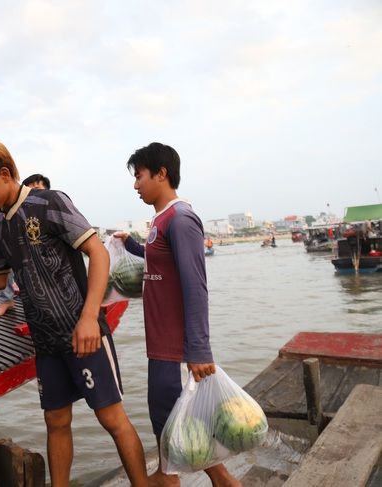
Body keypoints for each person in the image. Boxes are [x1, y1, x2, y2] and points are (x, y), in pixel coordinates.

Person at [0, 139, 149, 487]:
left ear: (4, 173)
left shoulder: (50, 202)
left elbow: (98, 254)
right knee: (56, 422)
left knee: (112, 419)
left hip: (84, 333)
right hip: (46, 343)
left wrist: (90, 317)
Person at [114, 142, 240, 487]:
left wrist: (199, 349)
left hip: (176, 344)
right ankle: (177, 475)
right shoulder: (161, 220)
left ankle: (204, 478)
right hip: (160, 340)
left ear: (161, 173)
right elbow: (160, 261)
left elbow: (195, 285)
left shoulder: (181, 219)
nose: (136, 184)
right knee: (167, 413)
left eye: (139, 176)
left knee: (173, 414)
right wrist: (131, 245)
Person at [0, 173, 51, 318]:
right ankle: (6, 301)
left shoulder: (50, 208)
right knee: (9, 259)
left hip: (45, 261)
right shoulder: (8, 216)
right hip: (25, 260)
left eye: (37, 188)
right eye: (28, 188)